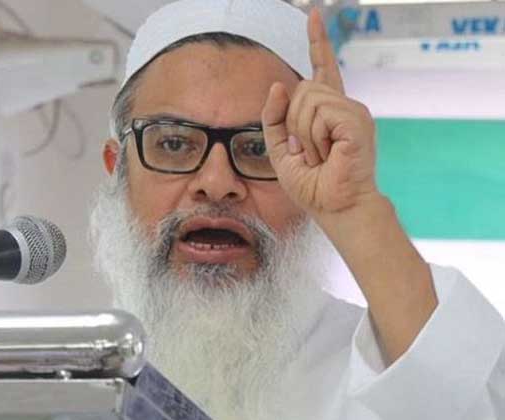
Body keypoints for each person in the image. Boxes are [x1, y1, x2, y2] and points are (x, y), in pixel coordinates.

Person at [89, 0, 505, 418]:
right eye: (174, 143)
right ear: (116, 169)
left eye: (259, 148)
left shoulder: (379, 373)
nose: (216, 183)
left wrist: (355, 208)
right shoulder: (71, 367)